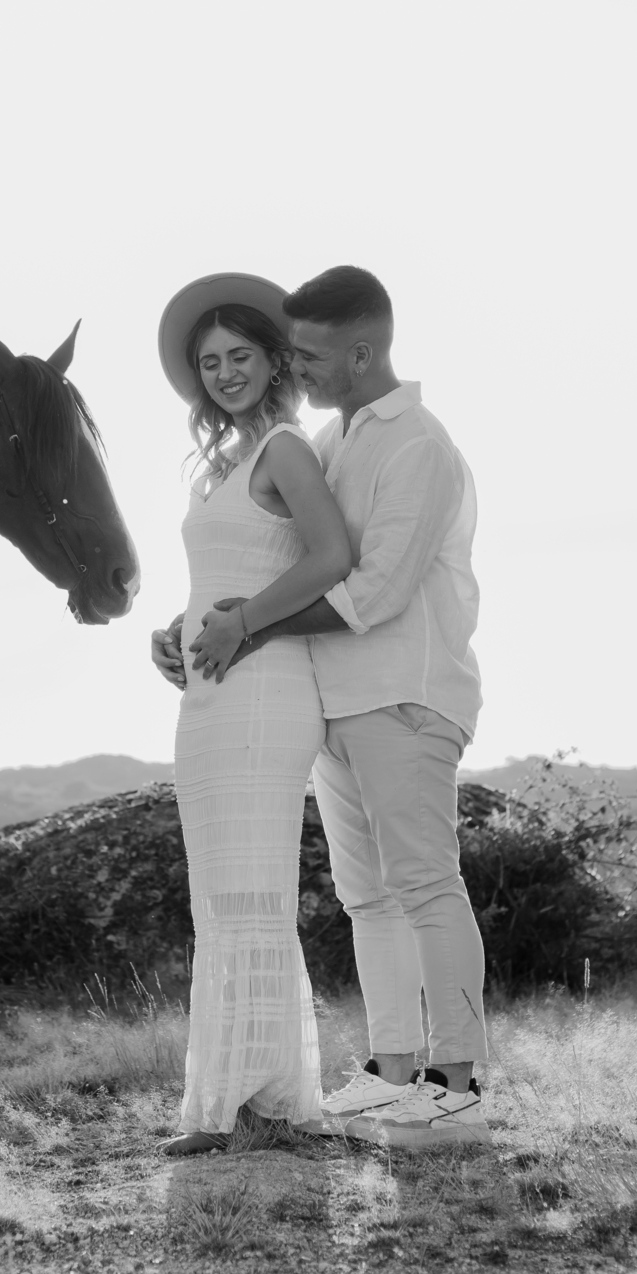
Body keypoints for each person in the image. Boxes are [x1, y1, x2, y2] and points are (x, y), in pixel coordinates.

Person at [196, 264, 490, 1148]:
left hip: (406, 692)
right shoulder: (332, 441)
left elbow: (379, 591)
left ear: (362, 351)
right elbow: (276, 557)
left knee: (428, 884)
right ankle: (395, 1069)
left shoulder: (419, 447)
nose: (298, 368)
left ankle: (460, 1084)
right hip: (335, 700)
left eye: (312, 355)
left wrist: (248, 630)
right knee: (368, 899)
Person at [151, 273, 353, 1156]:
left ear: (275, 360)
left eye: (240, 356)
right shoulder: (220, 466)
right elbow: (226, 572)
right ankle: (252, 1094)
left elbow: (334, 555)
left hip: (269, 693)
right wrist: (177, 629)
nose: (225, 372)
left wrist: (241, 623)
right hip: (210, 695)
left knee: (252, 895)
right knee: (221, 897)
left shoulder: (284, 448)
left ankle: (242, 1102)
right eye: (210, 362)